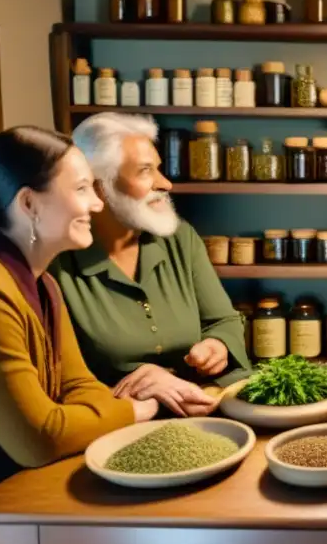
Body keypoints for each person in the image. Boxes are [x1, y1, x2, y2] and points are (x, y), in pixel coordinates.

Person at [0, 127, 157, 544]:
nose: (97, 206)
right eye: (81, 189)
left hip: (23, 495)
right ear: (29, 203)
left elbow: (79, 389)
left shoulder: (44, 285)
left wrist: (84, 412)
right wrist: (134, 410)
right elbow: (39, 439)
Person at [51, 112, 250, 417]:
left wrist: (217, 346)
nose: (166, 183)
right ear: (97, 186)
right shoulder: (55, 266)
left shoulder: (179, 238)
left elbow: (224, 320)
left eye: (159, 169)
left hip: (202, 405)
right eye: (145, 171)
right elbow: (55, 388)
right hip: (116, 423)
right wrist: (146, 390)